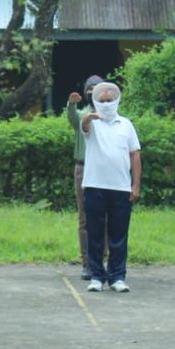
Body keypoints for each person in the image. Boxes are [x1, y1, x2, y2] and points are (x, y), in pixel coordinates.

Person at [80, 81, 141, 293]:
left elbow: (135, 154)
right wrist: (88, 117)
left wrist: (136, 184)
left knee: (119, 233)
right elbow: (84, 127)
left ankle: (117, 276)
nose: (106, 104)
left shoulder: (126, 124)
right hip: (94, 185)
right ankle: (97, 275)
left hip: (121, 187)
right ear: (95, 101)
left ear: (116, 100)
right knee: (95, 232)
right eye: (102, 100)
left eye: (109, 100)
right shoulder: (91, 122)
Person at [66, 74, 104, 280]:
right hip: (83, 168)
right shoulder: (82, 114)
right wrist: (71, 104)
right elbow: (72, 118)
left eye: (97, 88)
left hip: (104, 170)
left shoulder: (109, 115)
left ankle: (101, 259)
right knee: (85, 218)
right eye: (89, 89)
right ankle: (87, 263)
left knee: (104, 217)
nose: (93, 92)